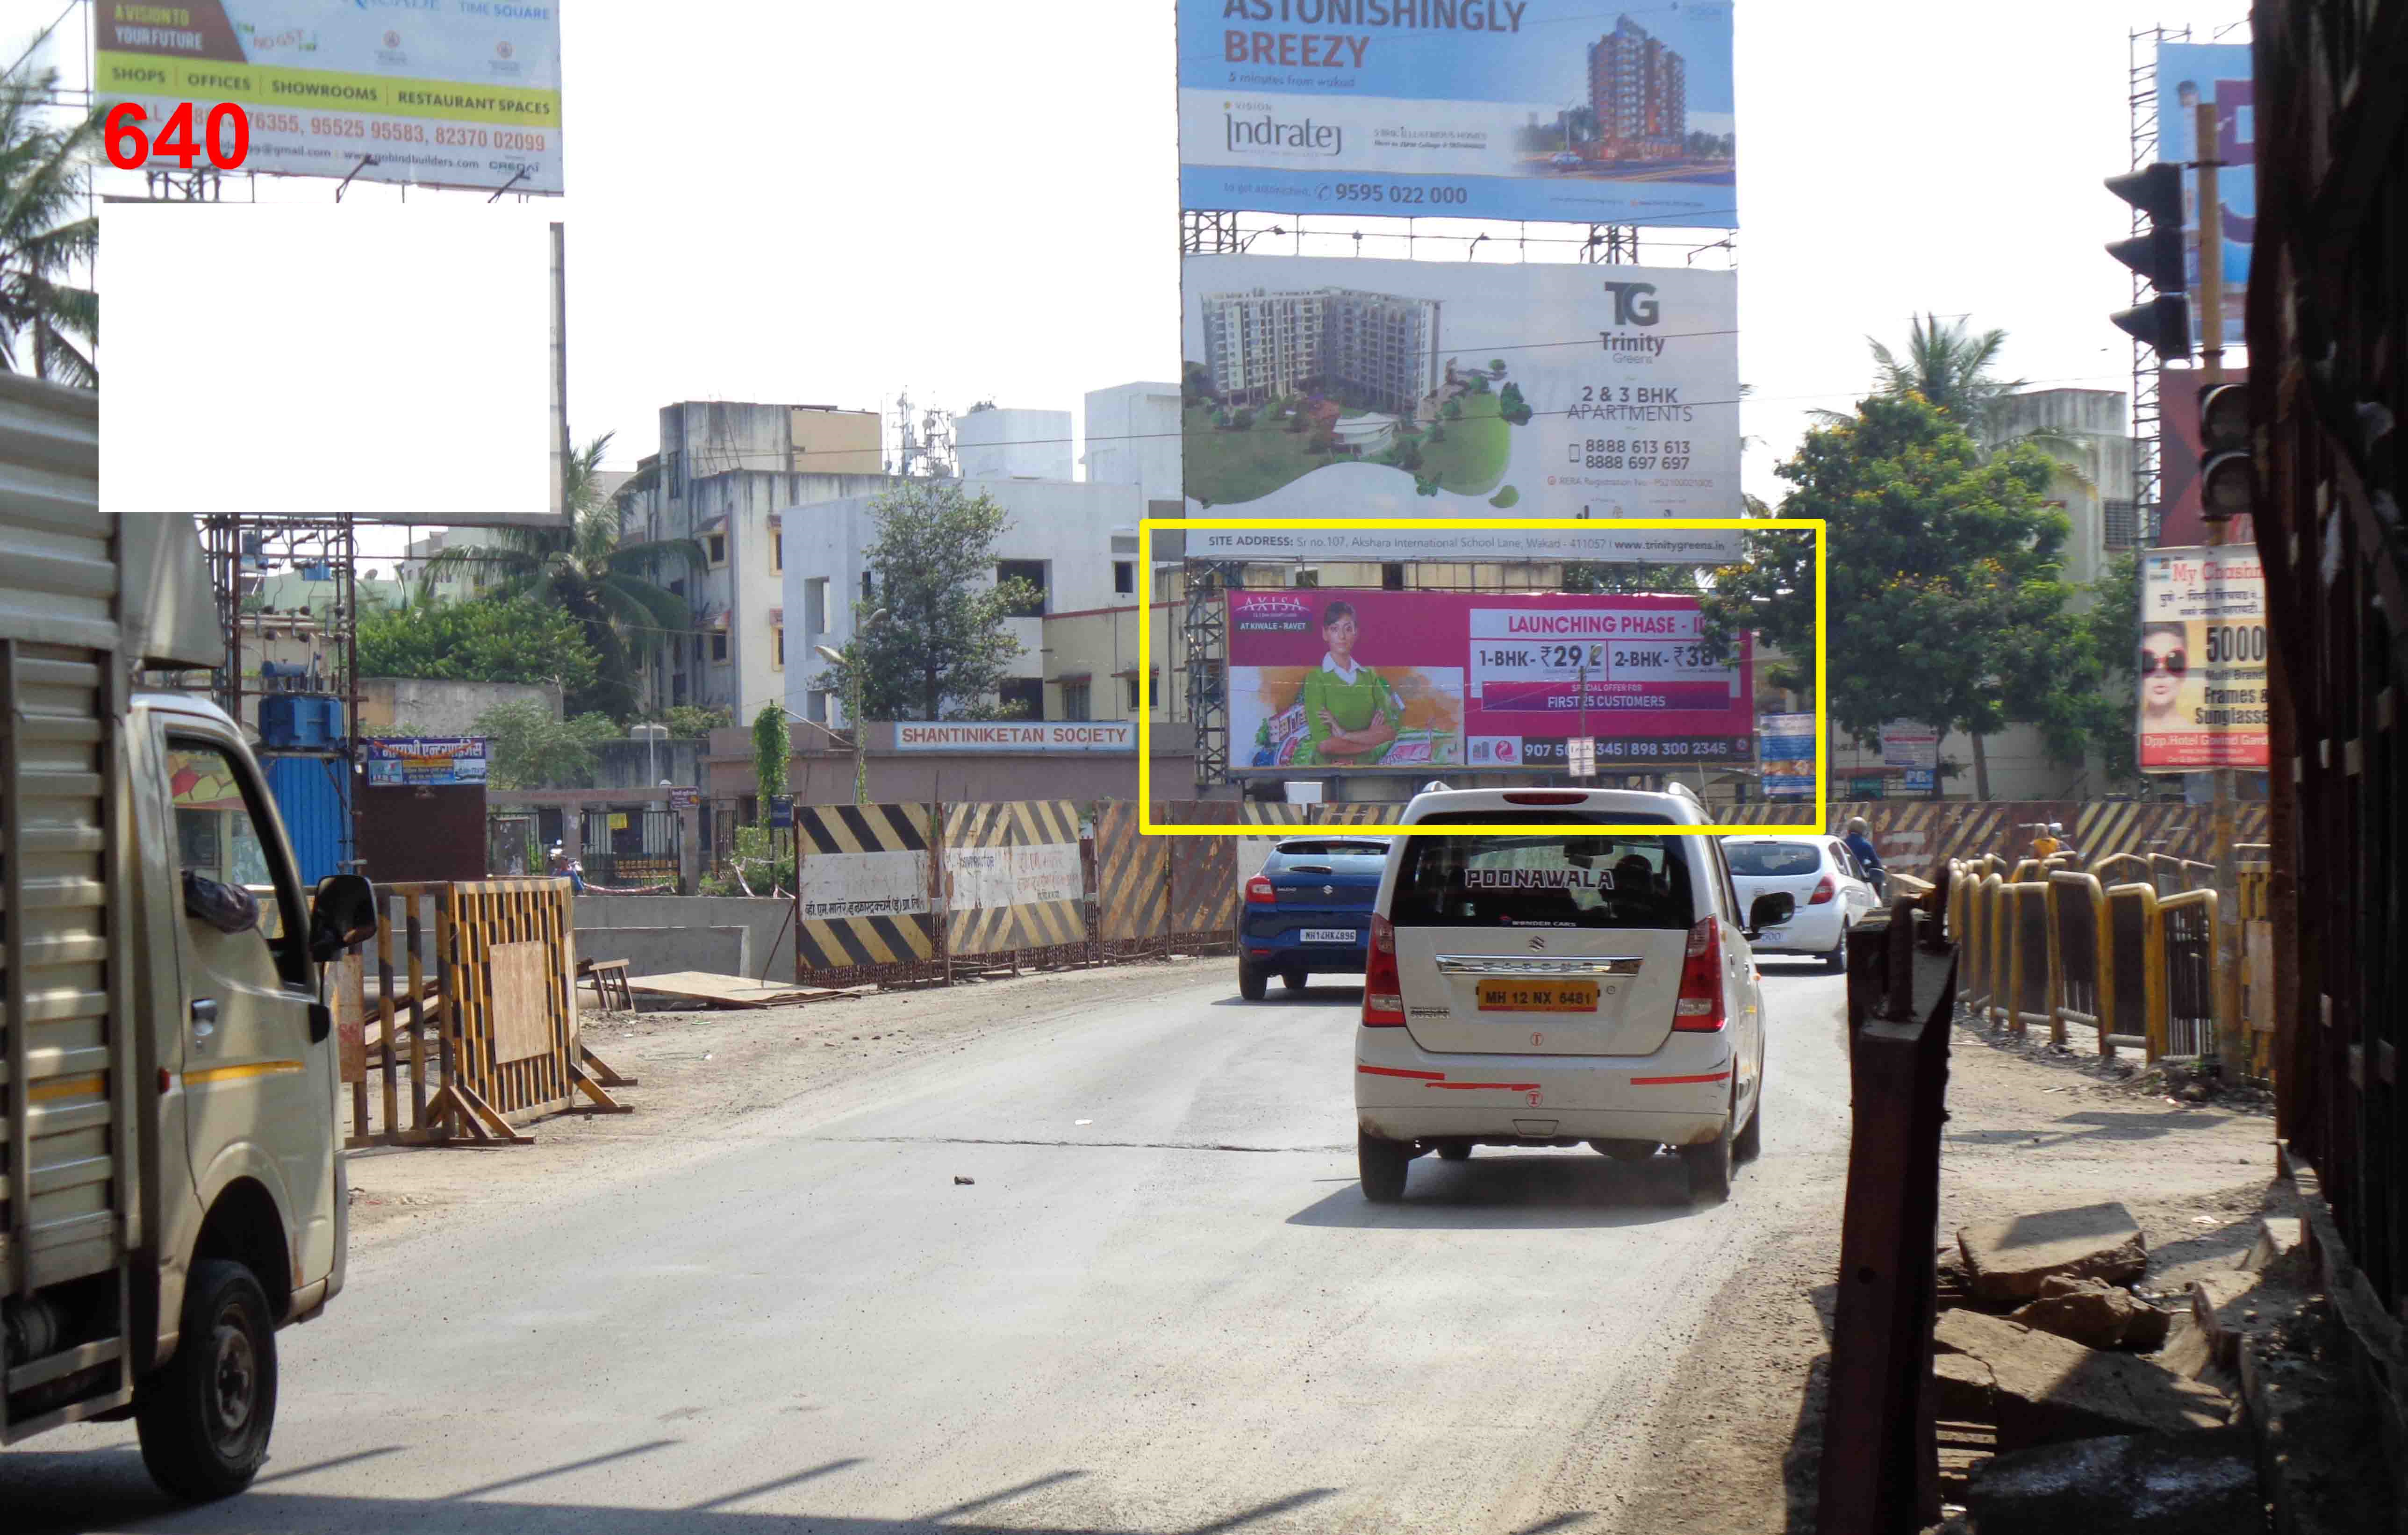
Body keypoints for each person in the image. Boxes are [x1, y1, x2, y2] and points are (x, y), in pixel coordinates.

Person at [1298, 600, 1406, 766]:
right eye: (1335, 629)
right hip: (1332, 775)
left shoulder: (1369, 676)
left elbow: (1389, 732)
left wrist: (1344, 735)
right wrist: (1371, 737)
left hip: (1371, 773)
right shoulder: (1316, 679)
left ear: (1356, 633)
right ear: (1325, 634)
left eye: (1348, 629)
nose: (1342, 636)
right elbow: (1326, 745)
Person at [2141, 623, 2188, 723]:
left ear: (2186, 670)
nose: (2161, 673)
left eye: (2174, 661)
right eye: (2149, 661)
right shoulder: (2125, 731)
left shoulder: (2201, 736)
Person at [1843, 816, 1885, 899]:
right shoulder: (1865, 845)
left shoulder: (1842, 843)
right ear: (1863, 830)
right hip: (1858, 879)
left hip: (1843, 877)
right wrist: (1882, 868)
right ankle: (1878, 904)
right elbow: (1876, 863)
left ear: (1849, 829)